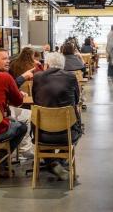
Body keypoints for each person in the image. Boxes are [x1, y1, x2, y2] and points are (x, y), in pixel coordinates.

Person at [32, 52, 82, 180]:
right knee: (79, 129)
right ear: (62, 65)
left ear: (46, 65)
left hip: (42, 134)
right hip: (67, 133)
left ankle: (52, 162)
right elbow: (76, 100)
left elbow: (35, 100)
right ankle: (58, 161)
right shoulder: (71, 77)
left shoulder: (37, 77)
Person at [0, 48, 35, 159]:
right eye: (4, 59)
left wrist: (18, 92)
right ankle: (13, 153)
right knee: (25, 119)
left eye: (8, 58)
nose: (8, 61)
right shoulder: (2, 76)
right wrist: (23, 78)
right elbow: (17, 101)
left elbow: (3, 93)